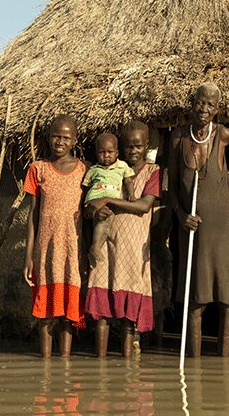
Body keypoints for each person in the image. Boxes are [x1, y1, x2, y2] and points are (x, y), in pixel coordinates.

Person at [169, 82, 229, 357]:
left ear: (217, 110)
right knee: (196, 300)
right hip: (193, 228)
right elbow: (170, 187)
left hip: (224, 227)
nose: (204, 110)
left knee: (227, 300)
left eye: (210, 105)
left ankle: (223, 362)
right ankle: (194, 363)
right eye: (200, 103)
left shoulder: (223, 135)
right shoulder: (177, 138)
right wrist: (182, 215)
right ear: (191, 104)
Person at [85, 121, 161, 358]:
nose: (133, 151)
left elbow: (143, 205)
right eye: (128, 146)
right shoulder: (110, 169)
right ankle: (101, 363)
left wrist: (109, 202)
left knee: (129, 314)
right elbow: (90, 204)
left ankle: (127, 362)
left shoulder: (153, 171)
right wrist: (95, 210)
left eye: (138, 146)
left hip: (134, 246)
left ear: (146, 146)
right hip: (107, 242)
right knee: (103, 311)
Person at [23, 114, 86, 358]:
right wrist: (28, 256)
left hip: (72, 248)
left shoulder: (84, 170)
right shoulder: (38, 169)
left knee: (68, 312)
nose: (60, 141)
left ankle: (66, 363)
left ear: (75, 141)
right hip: (46, 249)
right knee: (45, 310)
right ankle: (46, 364)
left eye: (66, 137)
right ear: (49, 138)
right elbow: (33, 216)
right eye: (55, 136)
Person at [83, 133, 136, 265]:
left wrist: (131, 194)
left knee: (106, 222)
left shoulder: (122, 166)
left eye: (110, 152)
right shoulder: (93, 170)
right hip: (95, 198)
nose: (106, 156)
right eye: (102, 152)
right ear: (96, 153)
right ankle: (95, 247)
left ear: (117, 153)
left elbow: (128, 181)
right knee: (103, 219)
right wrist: (86, 204)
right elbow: (85, 188)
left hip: (109, 200)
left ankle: (95, 248)